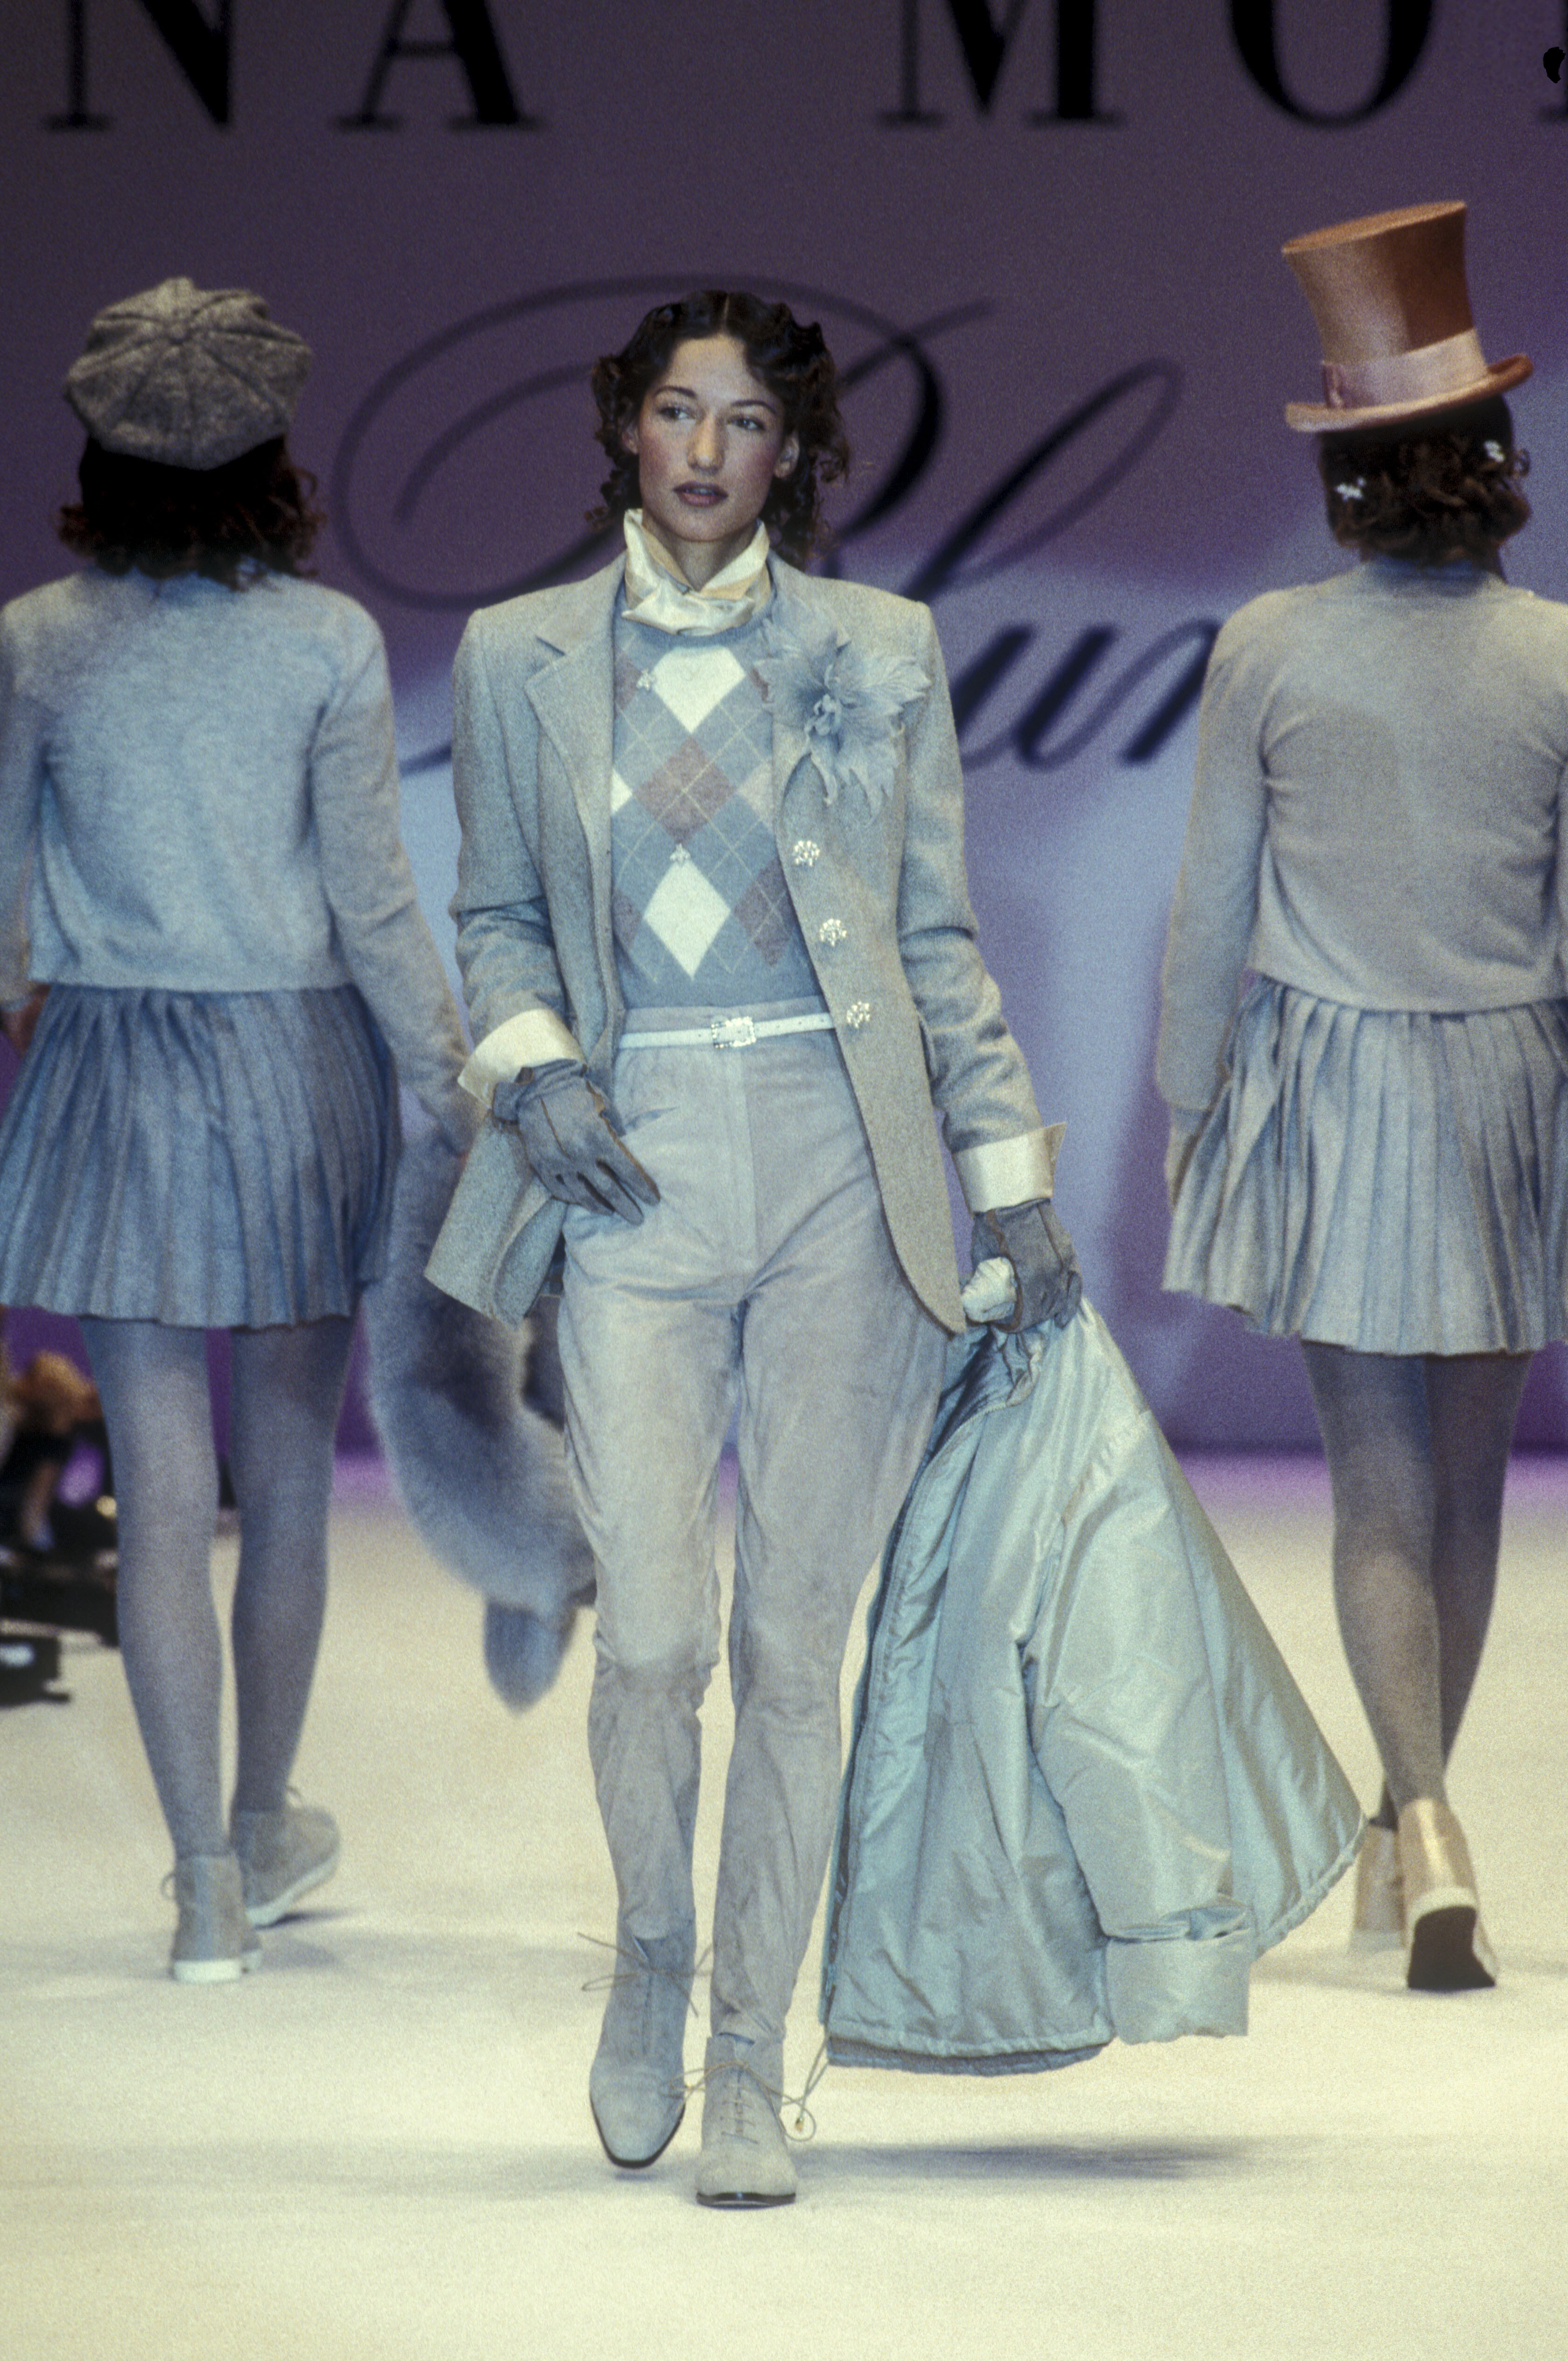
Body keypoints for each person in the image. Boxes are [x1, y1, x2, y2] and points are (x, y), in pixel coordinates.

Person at [427, 289, 1081, 2204]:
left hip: (835, 1167)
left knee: (797, 1641)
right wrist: (536, 1072)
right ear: (625, 428)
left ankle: (739, 2052)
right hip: (628, 1165)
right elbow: (494, 916)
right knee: (652, 1636)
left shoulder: (880, 648)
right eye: (675, 411)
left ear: (796, 454)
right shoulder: (518, 654)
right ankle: (649, 1958)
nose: (705, 450)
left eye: (745, 421)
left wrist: (1010, 1179)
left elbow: (935, 938)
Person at [0, 278, 476, 1982]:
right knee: (286, 1477)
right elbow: (374, 899)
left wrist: (21, 994)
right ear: (272, 453)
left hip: (115, 1065)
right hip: (295, 1067)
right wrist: (452, 1078)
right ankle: (263, 1827)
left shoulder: (39, 637)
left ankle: (200, 1884)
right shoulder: (324, 642)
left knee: (160, 1480)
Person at [1158, 204, 1566, 1993]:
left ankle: (1422, 1822)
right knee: (1468, 1495)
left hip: (1332, 1094)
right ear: (1495, 461)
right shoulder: (1561, 658)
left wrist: (1188, 1108)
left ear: (1346, 470)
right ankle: (1422, 1825)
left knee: (1379, 1500)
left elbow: (1207, 910)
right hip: (1506, 1093)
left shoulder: (1270, 645)